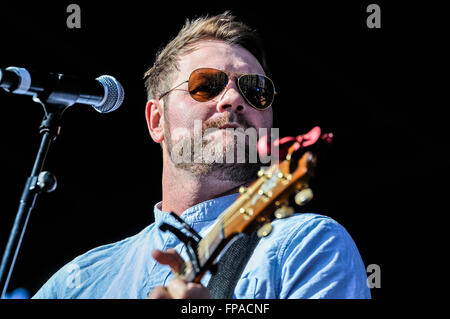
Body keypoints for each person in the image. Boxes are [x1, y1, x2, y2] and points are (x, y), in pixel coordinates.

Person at [32, 11, 370, 299]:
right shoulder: (77, 282)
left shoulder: (306, 245)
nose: (234, 99)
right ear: (156, 120)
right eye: (206, 83)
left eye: (256, 90)